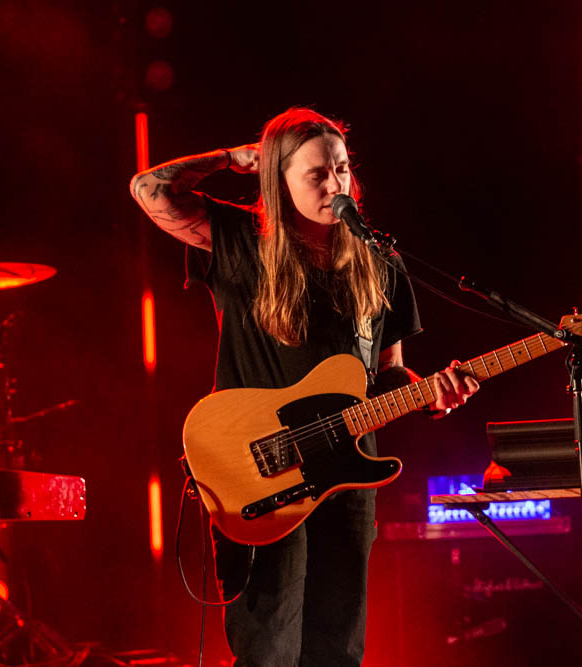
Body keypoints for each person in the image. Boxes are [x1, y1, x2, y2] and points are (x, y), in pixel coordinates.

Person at [129, 107, 479, 666]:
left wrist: (429, 394)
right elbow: (149, 190)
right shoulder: (240, 240)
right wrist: (232, 158)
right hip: (261, 472)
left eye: (341, 169)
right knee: (269, 648)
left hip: (347, 477)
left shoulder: (380, 261)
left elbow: (387, 372)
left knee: (337, 649)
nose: (335, 184)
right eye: (316, 174)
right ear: (278, 179)